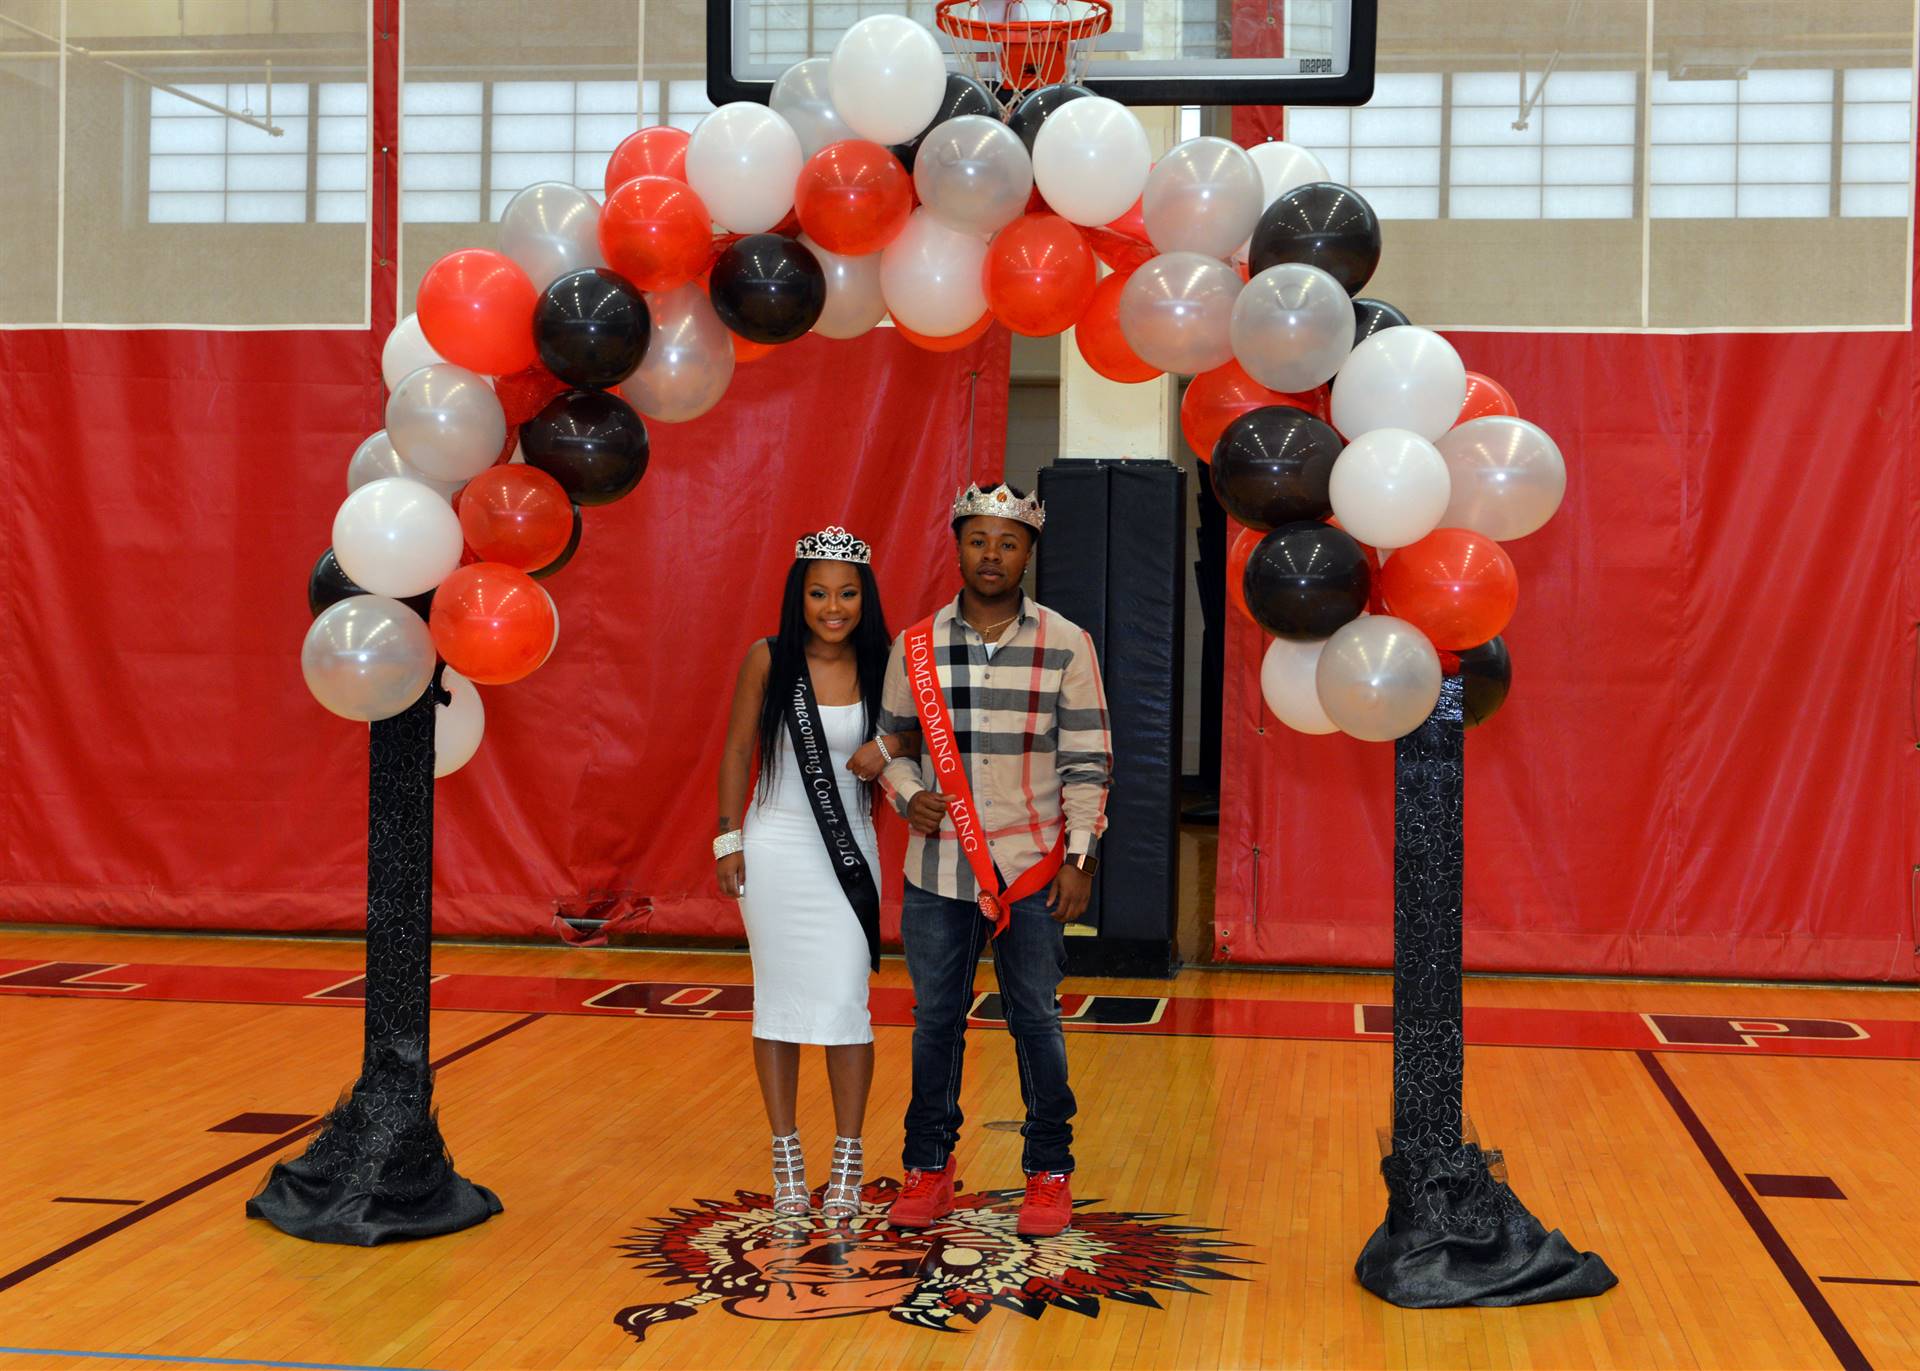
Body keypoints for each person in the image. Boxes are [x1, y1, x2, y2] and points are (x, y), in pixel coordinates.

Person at [858, 482, 1112, 1239]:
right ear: (958, 546)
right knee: (937, 1020)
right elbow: (889, 741)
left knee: (1036, 1020)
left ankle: (1048, 1173)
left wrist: (1080, 859)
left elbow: (1090, 762)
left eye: (1007, 541)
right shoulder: (916, 645)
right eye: (978, 539)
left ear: (1029, 551)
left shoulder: (1068, 642)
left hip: (1032, 870)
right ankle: (928, 1167)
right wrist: (908, 796)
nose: (991, 554)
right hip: (939, 873)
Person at [714, 526, 915, 1220]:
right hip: (775, 846)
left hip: (850, 850)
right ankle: (787, 1158)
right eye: (820, 592)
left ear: (866, 597)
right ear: (799, 597)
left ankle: (849, 1159)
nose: (834, 606)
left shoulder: (884, 662)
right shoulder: (769, 659)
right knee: (778, 1004)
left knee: (844, 1005)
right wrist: (726, 838)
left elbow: (919, 730)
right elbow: (738, 747)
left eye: (848, 593)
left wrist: (886, 742)